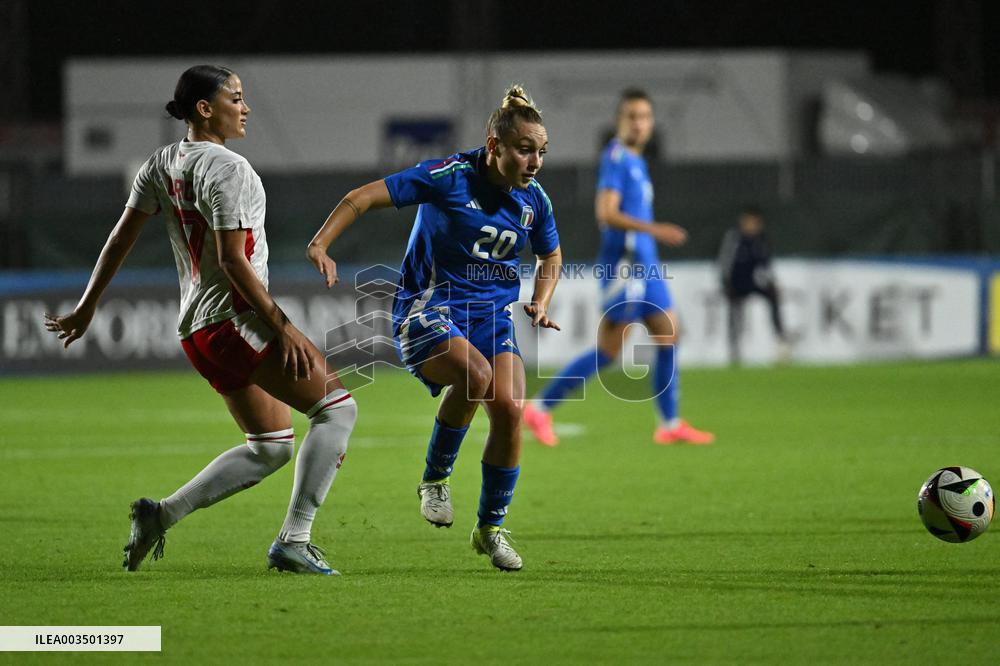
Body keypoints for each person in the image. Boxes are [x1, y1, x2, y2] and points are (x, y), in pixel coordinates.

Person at [44, 65, 358, 576]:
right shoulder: (230, 170)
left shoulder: (162, 163)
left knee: (271, 448)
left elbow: (120, 238)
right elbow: (234, 260)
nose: (246, 106)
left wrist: (87, 305)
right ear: (205, 109)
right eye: (236, 97)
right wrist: (284, 327)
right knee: (337, 411)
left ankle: (159, 515)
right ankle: (294, 540)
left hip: (197, 330)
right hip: (236, 320)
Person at [306, 85, 561, 571]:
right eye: (525, 149)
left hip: (491, 316)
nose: (534, 162)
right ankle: (435, 478)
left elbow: (551, 254)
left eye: (541, 152)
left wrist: (541, 300)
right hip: (427, 308)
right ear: (494, 146)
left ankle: (490, 529)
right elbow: (360, 198)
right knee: (477, 375)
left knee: (509, 410)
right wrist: (321, 243)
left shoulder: (534, 202)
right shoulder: (448, 177)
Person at [523, 88, 714, 447]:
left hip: (646, 267)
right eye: (631, 116)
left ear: (652, 123)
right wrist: (656, 229)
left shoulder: (636, 161)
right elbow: (606, 214)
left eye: (644, 117)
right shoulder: (616, 157)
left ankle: (670, 423)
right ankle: (540, 407)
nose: (638, 124)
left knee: (669, 333)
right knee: (610, 351)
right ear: (619, 121)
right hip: (625, 269)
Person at [718, 206, 789, 365]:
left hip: (755, 282)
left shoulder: (761, 240)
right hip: (736, 283)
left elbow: (766, 265)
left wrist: (772, 282)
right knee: (735, 313)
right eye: (747, 222)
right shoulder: (734, 238)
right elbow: (724, 261)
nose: (750, 225)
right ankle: (734, 350)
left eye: (753, 222)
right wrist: (725, 282)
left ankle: (781, 341)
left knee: (773, 296)